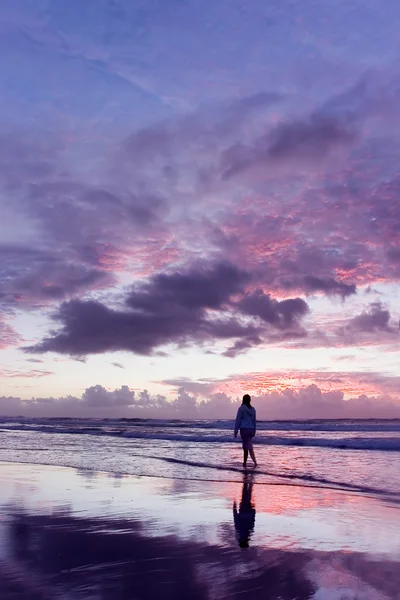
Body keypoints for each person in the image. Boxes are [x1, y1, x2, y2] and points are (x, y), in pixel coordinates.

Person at [234, 394, 257, 468]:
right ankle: (248, 462)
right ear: (249, 400)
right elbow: (254, 421)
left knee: (246, 447)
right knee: (248, 445)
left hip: (244, 429)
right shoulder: (253, 409)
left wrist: (236, 430)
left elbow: (238, 420)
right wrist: (254, 430)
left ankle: (248, 462)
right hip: (251, 429)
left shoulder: (241, 408)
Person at [233, 475, 256, 548]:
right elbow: (236, 518)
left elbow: (252, 520)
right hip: (243, 511)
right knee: (245, 493)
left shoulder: (249, 532)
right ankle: (247, 477)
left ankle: (250, 478)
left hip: (247, 512)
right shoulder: (239, 531)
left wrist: (253, 511)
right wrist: (234, 508)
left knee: (248, 494)